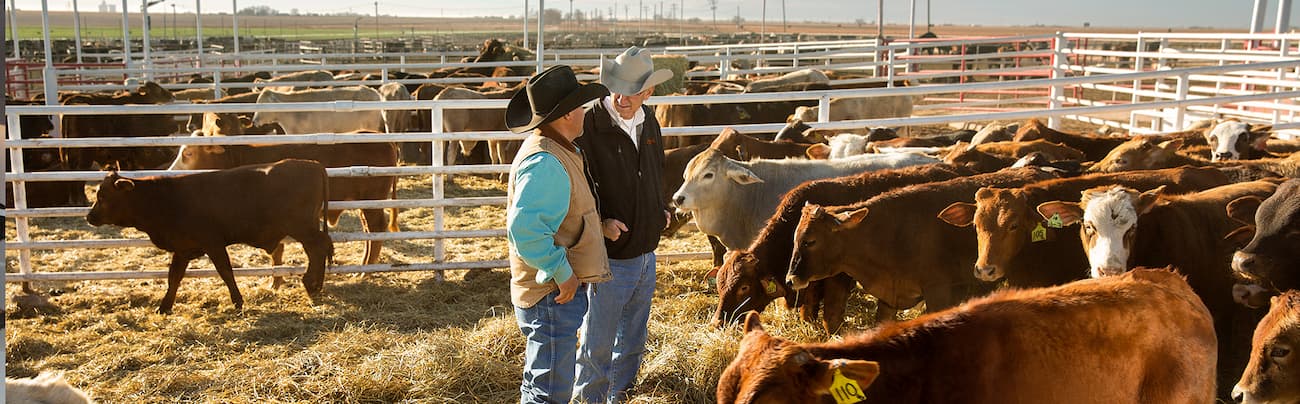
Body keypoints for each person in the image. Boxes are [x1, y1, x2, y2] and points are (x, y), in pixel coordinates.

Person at [505, 65, 613, 404]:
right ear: (567, 113)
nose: (584, 112)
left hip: (548, 293)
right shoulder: (547, 161)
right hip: (551, 293)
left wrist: (599, 229)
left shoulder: (554, 150)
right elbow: (526, 230)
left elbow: (560, 214)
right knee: (549, 394)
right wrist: (563, 275)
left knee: (541, 385)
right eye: (580, 106)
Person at [574, 46, 674, 403]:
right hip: (610, 256)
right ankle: (589, 400)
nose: (621, 97)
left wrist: (659, 208)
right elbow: (579, 182)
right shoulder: (588, 125)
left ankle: (621, 398)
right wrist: (599, 223)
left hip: (647, 253)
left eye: (631, 91)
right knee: (596, 344)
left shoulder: (650, 121)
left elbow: (655, 172)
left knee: (632, 341)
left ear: (647, 93)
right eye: (615, 87)